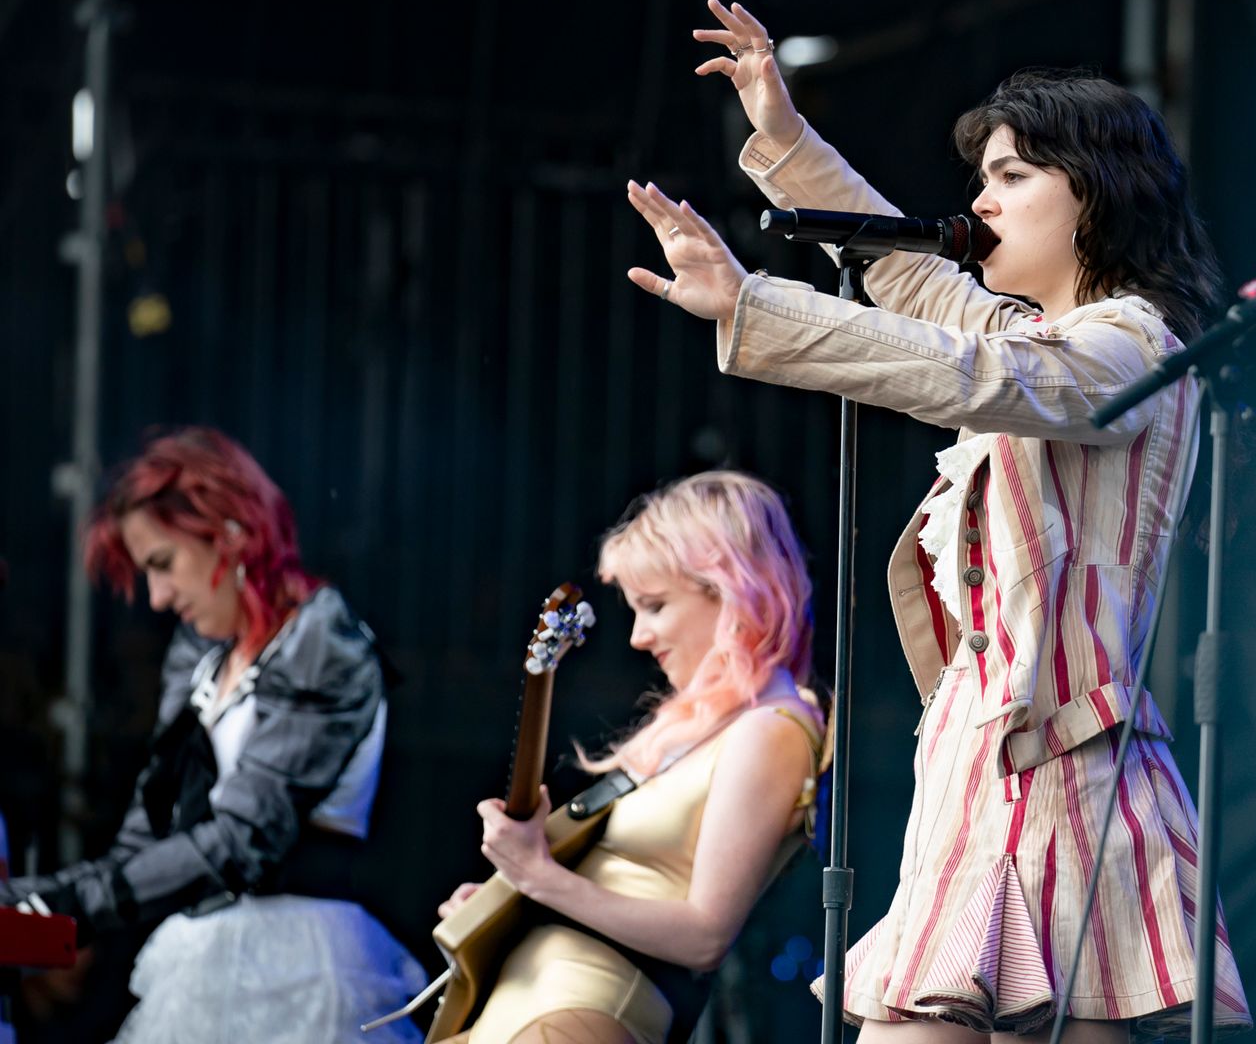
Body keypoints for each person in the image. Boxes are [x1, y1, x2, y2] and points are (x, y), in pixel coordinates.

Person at [619, 0, 1250, 1042]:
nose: (980, 200)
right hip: (976, 771)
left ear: (1094, 195)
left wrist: (751, 306)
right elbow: (917, 285)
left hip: (1070, 778)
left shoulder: (1131, 346)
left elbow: (970, 368)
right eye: (979, 178)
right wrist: (781, 138)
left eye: (1010, 176)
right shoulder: (1046, 339)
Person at [0, 427, 426, 1041]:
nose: (157, 597)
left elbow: (243, 838)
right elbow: (146, 840)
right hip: (205, 958)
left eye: (163, 565)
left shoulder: (326, 645)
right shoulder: (201, 656)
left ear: (231, 533)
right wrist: (34, 901)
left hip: (304, 967)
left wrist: (61, 902)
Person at [439, 470, 827, 1044]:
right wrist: (508, 897)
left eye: (655, 606)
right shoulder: (709, 728)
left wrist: (539, 877)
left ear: (729, 591)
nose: (637, 636)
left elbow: (704, 936)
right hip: (528, 1003)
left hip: (583, 1010)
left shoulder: (771, 729)